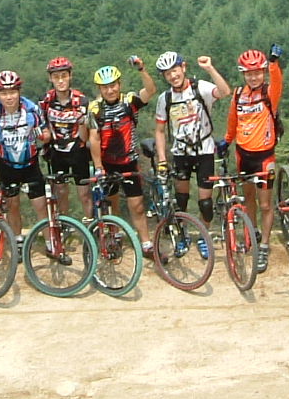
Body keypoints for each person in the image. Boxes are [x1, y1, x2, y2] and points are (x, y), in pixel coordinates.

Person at [153, 51, 231, 257]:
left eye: (175, 70)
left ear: (183, 67)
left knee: (205, 203)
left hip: (204, 150)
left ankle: (204, 236)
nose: (173, 76)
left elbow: (225, 91)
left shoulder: (200, 88)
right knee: (181, 199)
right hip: (181, 152)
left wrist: (210, 69)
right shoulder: (165, 99)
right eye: (167, 73)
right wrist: (162, 159)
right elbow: (159, 131)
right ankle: (182, 234)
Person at [224, 45, 285, 274]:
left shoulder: (270, 93)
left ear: (263, 72)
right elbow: (233, 120)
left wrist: (273, 63)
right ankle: (253, 233)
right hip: (243, 155)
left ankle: (265, 246)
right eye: (249, 73)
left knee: (265, 204)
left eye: (258, 72)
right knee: (248, 199)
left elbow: (277, 80)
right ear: (244, 74)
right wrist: (226, 141)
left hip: (264, 156)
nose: (254, 77)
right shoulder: (238, 94)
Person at [86, 59, 157, 254]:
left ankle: (146, 243)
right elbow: (94, 138)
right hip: (107, 163)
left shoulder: (129, 101)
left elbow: (150, 90)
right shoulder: (95, 109)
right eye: (105, 87)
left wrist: (142, 69)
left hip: (129, 161)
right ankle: (115, 236)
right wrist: (98, 167)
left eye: (113, 85)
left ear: (119, 84)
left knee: (137, 205)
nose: (110, 90)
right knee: (112, 203)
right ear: (100, 89)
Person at [0, 70, 51, 240]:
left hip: (30, 164)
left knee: (40, 205)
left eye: (12, 92)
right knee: (12, 206)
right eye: (4, 93)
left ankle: (50, 243)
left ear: (19, 92)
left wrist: (40, 134)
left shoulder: (32, 109)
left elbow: (47, 135)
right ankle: (17, 240)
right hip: (6, 165)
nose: (9, 97)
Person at [39, 56, 90, 215]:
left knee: (85, 194)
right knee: (61, 192)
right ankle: (64, 224)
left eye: (64, 76)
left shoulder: (81, 101)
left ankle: (90, 224)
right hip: (56, 151)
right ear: (50, 78)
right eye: (56, 77)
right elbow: (44, 127)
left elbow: (85, 137)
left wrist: (82, 122)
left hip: (78, 150)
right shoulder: (46, 101)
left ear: (70, 76)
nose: (60, 81)